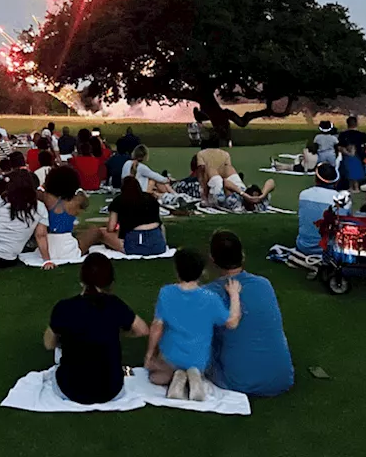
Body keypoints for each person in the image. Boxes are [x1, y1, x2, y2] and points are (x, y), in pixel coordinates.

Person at [44, 253, 149, 404]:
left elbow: (49, 344)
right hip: (111, 389)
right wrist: (115, 332)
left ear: (81, 280)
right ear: (110, 282)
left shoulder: (64, 308)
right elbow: (142, 330)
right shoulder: (115, 305)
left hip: (71, 389)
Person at [204, 230, 293, 396]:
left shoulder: (208, 294)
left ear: (212, 259)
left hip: (238, 382)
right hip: (282, 379)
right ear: (242, 256)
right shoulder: (264, 284)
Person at [145, 249, 242, 400]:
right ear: (201, 272)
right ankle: (193, 377)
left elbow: (157, 326)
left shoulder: (166, 293)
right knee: (201, 365)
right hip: (199, 359)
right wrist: (234, 295)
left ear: (177, 271)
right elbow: (232, 322)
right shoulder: (211, 298)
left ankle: (177, 378)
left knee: (155, 376)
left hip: (170, 357)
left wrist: (150, 354)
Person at [41, 166, 101, 261]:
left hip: (46, 246)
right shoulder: (75, 201)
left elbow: (40, 190)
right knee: (96, 231)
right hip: (67, 250)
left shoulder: (46, 198)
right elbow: (85, 202)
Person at [100, 176, 168, 256]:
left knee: (101, 232)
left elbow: (111, 227)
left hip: (134, 243)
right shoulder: (151, 198)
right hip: (158, 244)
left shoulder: (119, 200)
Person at [295, 163, 350, 255]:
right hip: (331, 250)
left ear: (316, 179)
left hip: (304, 246)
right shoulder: (343, 200)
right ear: (336, 181)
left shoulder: (304, 195)